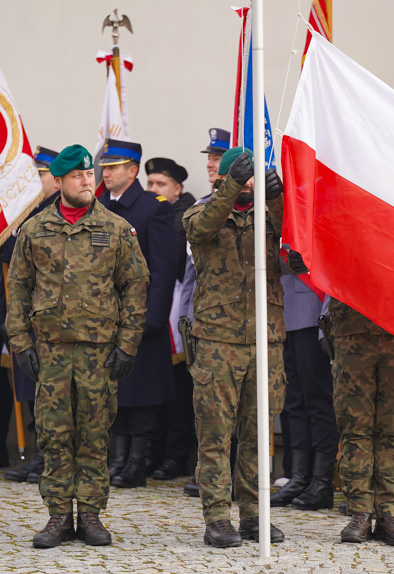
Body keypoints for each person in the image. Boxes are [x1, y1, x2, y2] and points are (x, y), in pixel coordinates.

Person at [6, 144, 148, 549]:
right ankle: (57, 516)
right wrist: (20, 342)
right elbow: (17, 289)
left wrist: (128, 345)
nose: (88, 182)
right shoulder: (34, 230)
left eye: (90, 175)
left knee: (94, 433)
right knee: (53, 433)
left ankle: (90, 514)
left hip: (98, 352)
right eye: (78, 176)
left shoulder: (117, 229)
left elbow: (136, 287)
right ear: (58, 182)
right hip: (49, 352)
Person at [183, 147, 286, 548]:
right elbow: (202, 229)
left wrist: (274, 196)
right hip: (217, 342)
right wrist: (228, 187)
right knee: (215, 434)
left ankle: (254, 514)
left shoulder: (268, 217)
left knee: (258, 434)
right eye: (240, 177)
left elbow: (296, 242)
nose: (247, 185)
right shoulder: (200, 212)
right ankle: (217, 517)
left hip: (265, 340)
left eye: (251, 178)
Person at [97, 139, 176, 488]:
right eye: (104, 166)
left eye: (113, 167)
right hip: (104, 317)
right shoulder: (98, 206)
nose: (105, 172)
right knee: (113, 388)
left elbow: (162, 267)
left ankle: (136, 462)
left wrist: (154, 317)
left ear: (132, 170)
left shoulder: (152, 209)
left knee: (141, 391)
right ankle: (117, 458)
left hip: (139, 316)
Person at [326, 297, 394, 547]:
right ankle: (360, 512)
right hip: (352, 326)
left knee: (392, 431)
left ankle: (389, 515)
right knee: (355, 428)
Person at [0, 146, 60, 484]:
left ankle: (51, 459)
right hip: (27, 318)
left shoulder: (61, 214)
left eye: (42, 174)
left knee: (53, 394)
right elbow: (9, 269)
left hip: (52, 320)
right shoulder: (25, 213)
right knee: (30, 391)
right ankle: (37, 455)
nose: (35, 180)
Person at [182, 127, 231, 497]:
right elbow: (190, 274)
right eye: (210, 159)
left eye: (219, 158)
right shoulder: (200, 207)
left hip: (248, 328)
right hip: (209, 325)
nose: (212, 165)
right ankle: (212, 482)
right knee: (209, 413)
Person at [270, 249, 338, 510]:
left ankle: (321, 481)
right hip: (283, 310)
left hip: (312, 306)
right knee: (293, 401)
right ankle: (299, 476)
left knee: (318, 399)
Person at [144, 157, 197, 481]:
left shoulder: (181, 215)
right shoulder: (153, 212)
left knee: (179, 390)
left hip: (177, 309)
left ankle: (176, 455)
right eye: (150, 184)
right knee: (156, 386)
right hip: (155, 309)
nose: (153, 190)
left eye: (160, 184)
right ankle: (155, 450)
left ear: (177, 189)